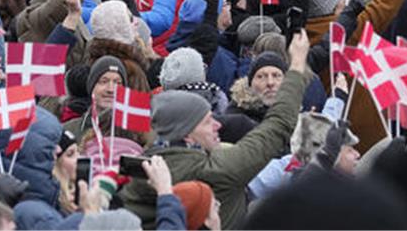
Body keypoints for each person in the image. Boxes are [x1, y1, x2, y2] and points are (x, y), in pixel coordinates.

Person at [120, 30, 311, 229]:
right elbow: (277, 126)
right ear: (187, 134)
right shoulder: (217, 170)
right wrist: (296, 66)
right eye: (206, 121)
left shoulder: (135, 177)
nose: (218, 124)